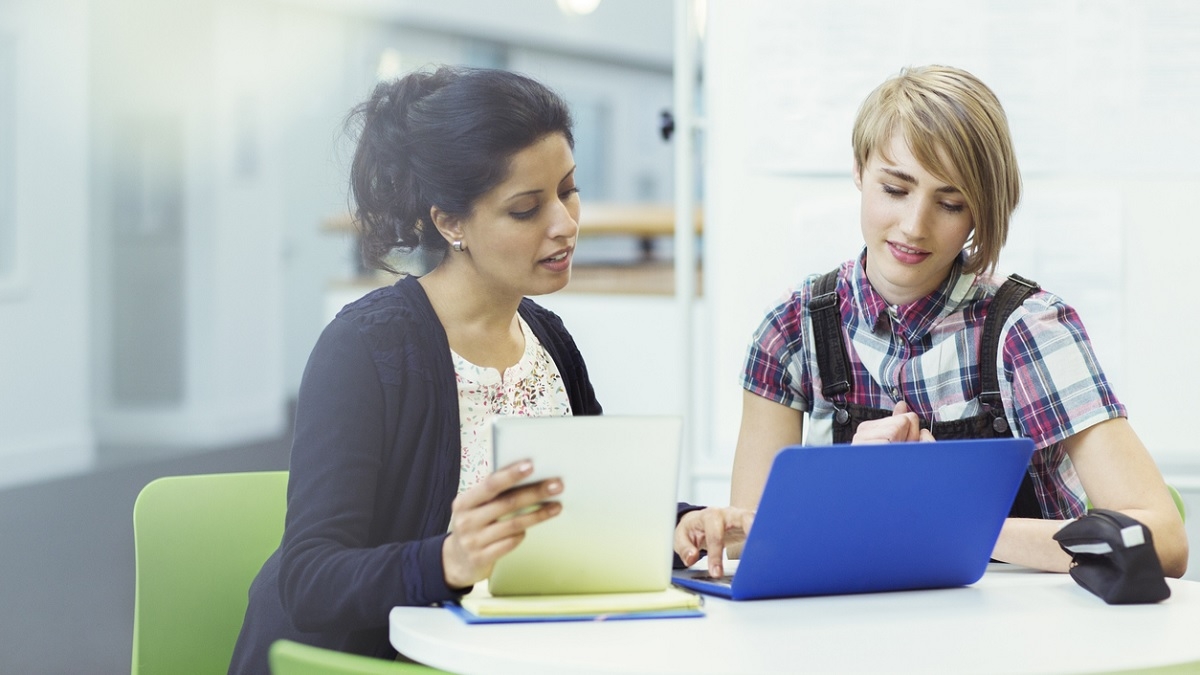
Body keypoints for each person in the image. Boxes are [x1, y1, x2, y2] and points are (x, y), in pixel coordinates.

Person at [674, 65, 1188, 580]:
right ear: (859, 169)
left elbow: (1163, 542)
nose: (914, 227)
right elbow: (754, 547)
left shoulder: (1026, 330)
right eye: (895, 189)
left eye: (950, 203)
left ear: (980, 213)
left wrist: (941, 516)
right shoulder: (791, 331)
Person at [228, 66, 601, 674]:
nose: (564, 223)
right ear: (451, 224)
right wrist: (449, 563)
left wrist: (679, 527)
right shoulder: (365, 349)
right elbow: (310, 578)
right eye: (526, 208)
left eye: (568, 189)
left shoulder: (550, 342)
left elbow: (586, 503)